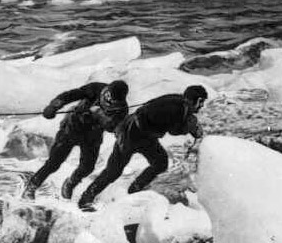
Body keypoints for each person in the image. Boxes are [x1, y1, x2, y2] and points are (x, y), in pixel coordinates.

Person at [77, 85, 209, 210]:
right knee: (114, 171)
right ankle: (85, 199)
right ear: (196, 100)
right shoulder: (176, 107)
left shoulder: (178, 103)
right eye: (201, 102)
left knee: (160, 163)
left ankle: (135, 190)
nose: (201, 106)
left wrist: (190, 124)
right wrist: (191, 126)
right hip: (131, 135)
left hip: (144, 136)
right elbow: (174, 129)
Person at [24, 80, 129, 200]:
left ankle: (70, 183)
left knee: (87, 167)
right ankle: (31, 187)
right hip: (71, 128)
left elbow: (112, 128)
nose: (108, 99)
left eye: (112, 100)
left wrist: (98, 117)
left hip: (92, 136)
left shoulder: (122, 110)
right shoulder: (97, 88)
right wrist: (54, 105)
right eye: (108, 95)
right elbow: (73, 94)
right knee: (53, 163)